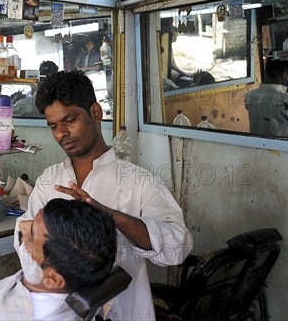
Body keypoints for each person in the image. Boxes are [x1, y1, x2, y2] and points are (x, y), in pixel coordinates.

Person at [16, 70, 193, 321]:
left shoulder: (137, 181)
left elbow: (179, 246)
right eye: (53, 126)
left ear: (95, 113)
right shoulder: (49, 182)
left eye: (69, 120)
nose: (61, 133)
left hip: (124, 310)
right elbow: (24, 241)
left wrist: (111, 217)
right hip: (62, 312)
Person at [245, 59, 288, 138]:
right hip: (282, 148)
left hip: (258, 145)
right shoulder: (284, 100)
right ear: (284, 73)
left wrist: (286, 93)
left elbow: (268, 105)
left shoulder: (250, 96)